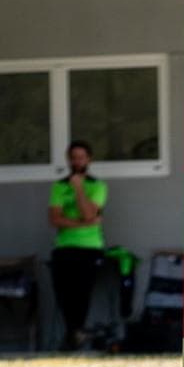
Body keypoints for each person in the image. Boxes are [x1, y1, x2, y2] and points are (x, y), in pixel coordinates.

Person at [48, 140, 108, 351]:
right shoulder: (58, 186)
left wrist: (79, 188)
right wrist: (84, 223)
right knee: (64, 292)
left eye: (81, 157)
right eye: (73, 157)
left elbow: (90, 212)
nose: (77, 161)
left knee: (82, 292)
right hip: (64, 246)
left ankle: (77, 333)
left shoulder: (97, 186)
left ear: (88, 159)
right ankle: (73, 332)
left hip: (89, 247)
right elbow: (55, 219)